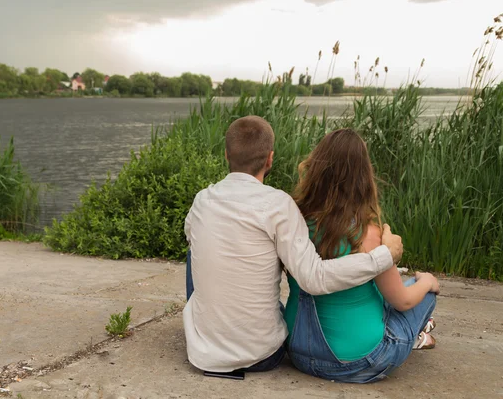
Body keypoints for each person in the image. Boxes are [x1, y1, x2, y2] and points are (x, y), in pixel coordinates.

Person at [183, 116, 403, 373]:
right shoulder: (278, 205)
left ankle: (213, 329)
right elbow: (314, 278)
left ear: (226, 155)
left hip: (202, 353)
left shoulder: (202, 201)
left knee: (196, 248)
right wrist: (383, 256)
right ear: (269, 159)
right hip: (260, 355)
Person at [285, 128, 439, 383]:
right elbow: (402, 302)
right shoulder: (368, 234)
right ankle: (416, 334)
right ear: (363, 177)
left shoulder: (295, 222)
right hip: (357, 361)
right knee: (423, 293)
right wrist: (428, 281)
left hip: (298, 352)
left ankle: (419, 331)